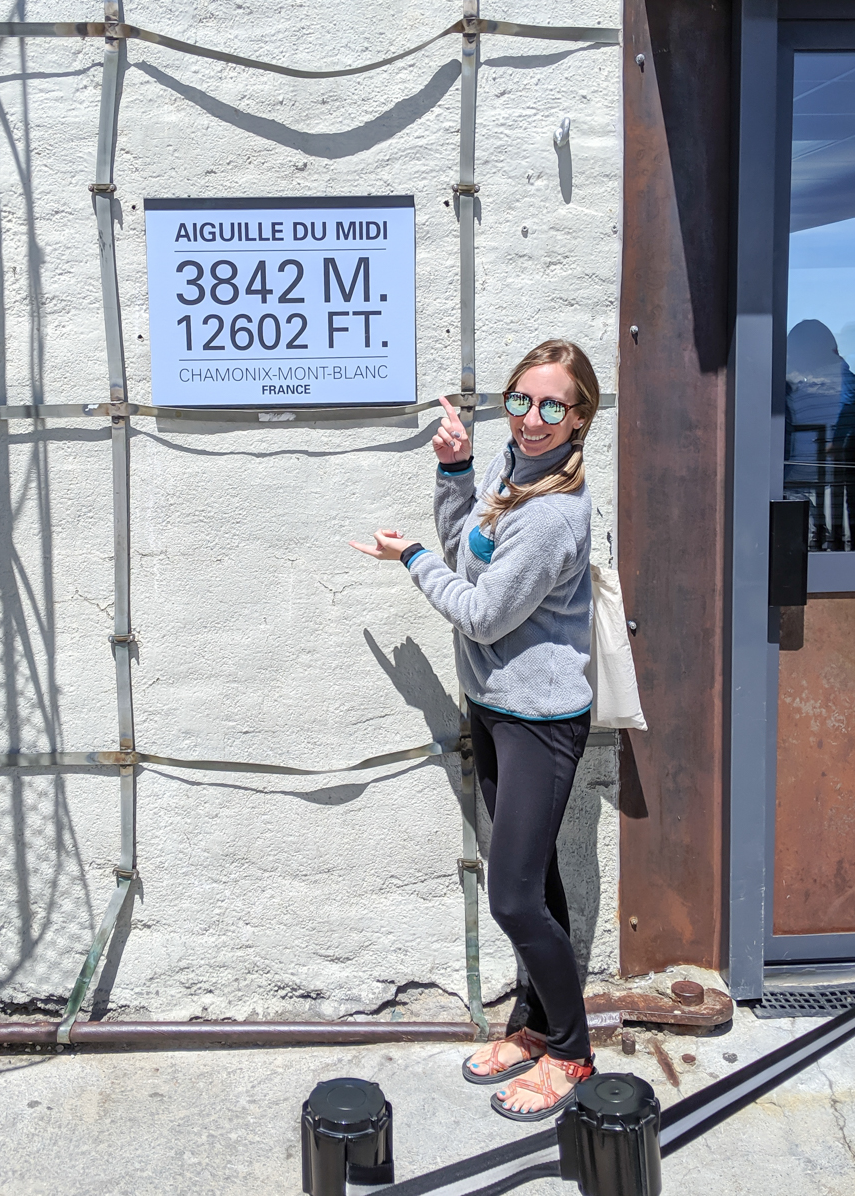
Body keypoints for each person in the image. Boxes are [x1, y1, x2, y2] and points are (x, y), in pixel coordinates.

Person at [350, 339, 599, 1121]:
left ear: (579, 417)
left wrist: (412, 558)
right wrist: (455, 472)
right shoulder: (508, 470)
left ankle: (573, 1053)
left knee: (514, 898)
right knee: (538, 882)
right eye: (521, 400)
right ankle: (532, 1027)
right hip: (495, 706)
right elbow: (468, 551)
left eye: (551, 406)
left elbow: (483, 611)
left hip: (541, 722)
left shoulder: (555, 514)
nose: (531, 419)